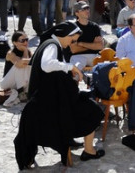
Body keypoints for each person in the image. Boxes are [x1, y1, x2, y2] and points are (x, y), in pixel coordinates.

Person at [14, 22, 104, 168]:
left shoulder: (51, 44)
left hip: (53, 98)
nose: (72, 43)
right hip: (52, 102)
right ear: (65, 35)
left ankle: (76, 142)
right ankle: (89, 150)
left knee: (86, 105)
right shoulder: (52, 45)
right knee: (92, 109)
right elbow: (47, 65)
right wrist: (71, 67)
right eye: (72, 39)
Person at [65, 1, 105, 70]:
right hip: (78, 56)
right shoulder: (73, 28)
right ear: (77, 13)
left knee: (106, 68)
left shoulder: (95, 26)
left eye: (87, 8)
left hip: (94, 56)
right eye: (83, 9)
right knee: (76, 71)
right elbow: (74, 50)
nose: (87, 11)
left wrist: (81, 44)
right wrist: (93, 45)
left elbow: (100, 46)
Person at [1, 31, 32, 107]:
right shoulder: (11, 53)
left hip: (21, 82)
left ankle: (26, 91)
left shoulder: (29, 51)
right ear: (15, 43)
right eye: (22, 40)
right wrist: (27, 56)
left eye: (27, 40)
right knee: (19, 65)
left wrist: (25, 51)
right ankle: (21, 92)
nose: (25, 42)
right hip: (8, 83)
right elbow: (20, 64)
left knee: (29, 65)